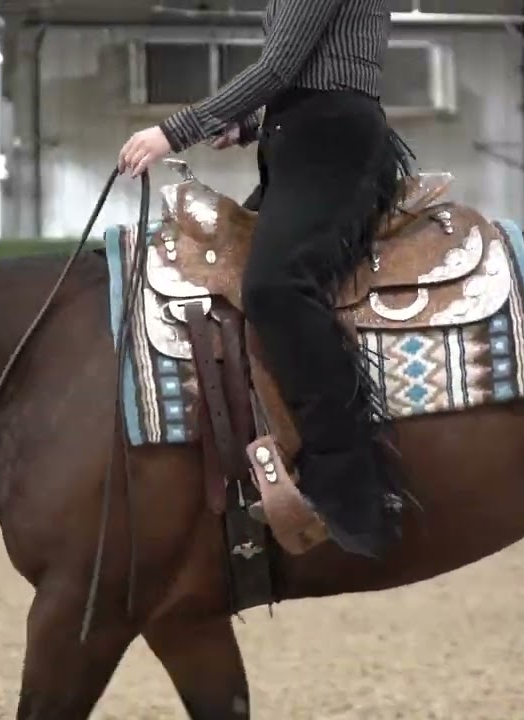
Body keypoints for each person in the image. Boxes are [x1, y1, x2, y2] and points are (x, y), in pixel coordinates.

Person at [117, 0, 416, 560]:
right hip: (297, 140)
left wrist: (175, 130)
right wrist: (250, 123)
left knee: (276, 287)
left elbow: (279, 67)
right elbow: (311, 68)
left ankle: (349, 479)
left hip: (331, 142)